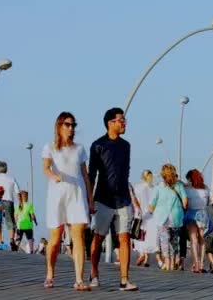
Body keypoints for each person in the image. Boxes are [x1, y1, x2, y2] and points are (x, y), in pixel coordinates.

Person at [42, 112, 94, 291]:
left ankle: (79, 279)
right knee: (55, 238)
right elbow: (46, 168)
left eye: (73, 125)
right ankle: (50, 273)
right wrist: (53, 176)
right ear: (59, 126)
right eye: (67, 124)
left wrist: (90, 199)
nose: (71, 128)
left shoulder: (79, 149)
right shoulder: (50, 147)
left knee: (78, 236)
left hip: (77, 194)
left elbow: (85, 175)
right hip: (57, 195)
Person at [89, 108, 138, 291]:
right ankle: (94, 274)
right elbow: (92, 173)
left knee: (124, 238)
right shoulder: (97, 145)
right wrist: (89, 199)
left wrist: (130, 196)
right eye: (121, 120)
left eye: (124, 119)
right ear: (111, 123)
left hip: (123, 199)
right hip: (103, 198)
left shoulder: (126, 146)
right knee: (98, 237)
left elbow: (126, 171)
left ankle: (124, 280)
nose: (124, 123)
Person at [149, 164, 188, 271]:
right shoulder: (179, 186)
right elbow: (185, 202)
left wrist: (153, 211)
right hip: (176, 217)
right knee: (174, 240)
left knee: (164, 240)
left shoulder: (158, 187)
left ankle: (168, 262)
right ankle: (174, 259)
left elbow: (151, 205)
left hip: (162, 218)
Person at [132, 170, 161, 268]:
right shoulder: (154, 188)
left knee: (141, 236)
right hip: (152, 215)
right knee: (149, 237)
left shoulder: (138, 187)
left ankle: (143, 255)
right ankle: (146, 259)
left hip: (140, 214)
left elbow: (134, 200)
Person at [184, 169, 211, 273]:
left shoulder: (187, 188)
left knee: (193, 240)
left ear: (190, 178)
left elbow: (185, 202)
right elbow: (208, 202)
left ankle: (196, 263)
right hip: (202, 213)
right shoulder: (206, 188)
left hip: (191, 213)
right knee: (202, 239)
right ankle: (202, 264)